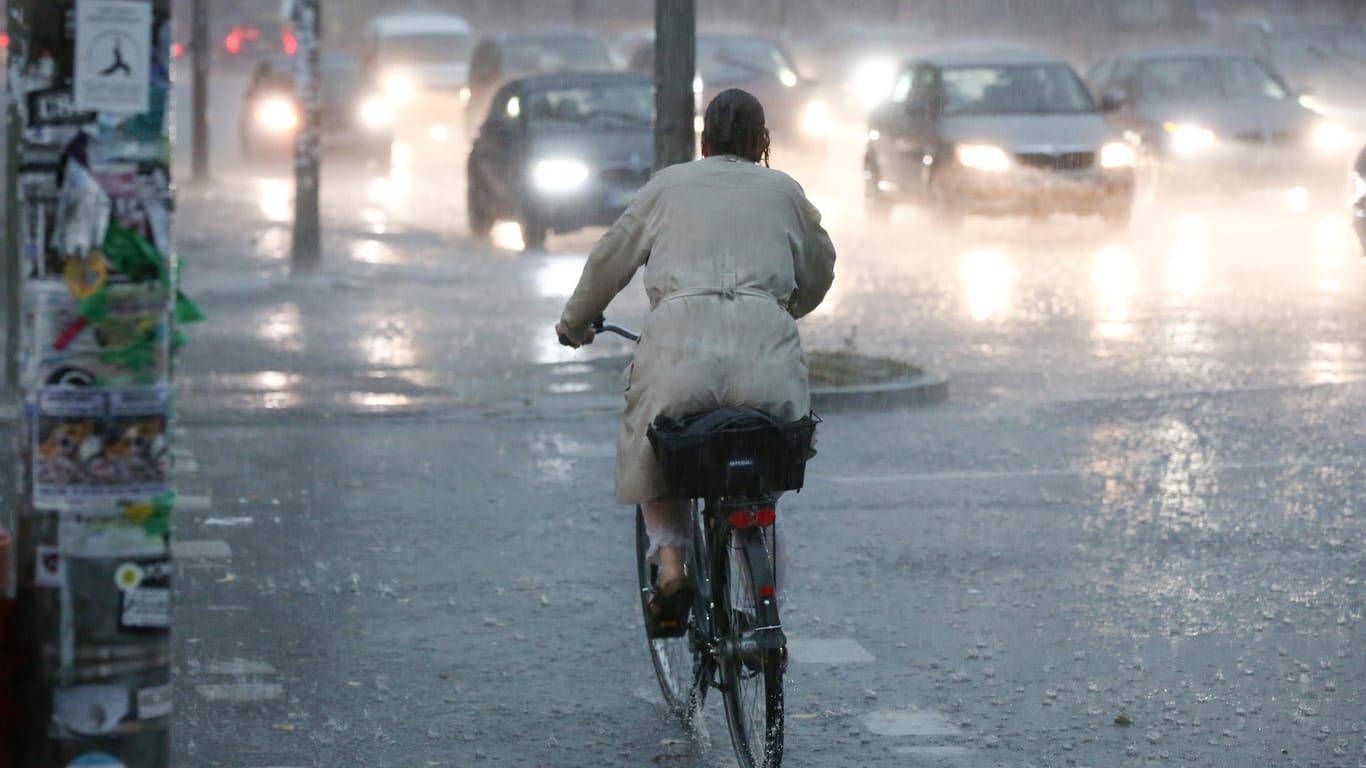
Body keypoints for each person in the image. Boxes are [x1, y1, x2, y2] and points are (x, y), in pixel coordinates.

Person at [555, 88, 836, 634]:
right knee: (763, 474)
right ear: (763, 143)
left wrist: (575, 323)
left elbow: (610, 258)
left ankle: (670, 567)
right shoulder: (784, 191)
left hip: (679, 355)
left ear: (704, 141)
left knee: (654, 450)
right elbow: (821, 268)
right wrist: (781, 308)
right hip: (766, 363)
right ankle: (763, 604)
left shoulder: (668, 186)